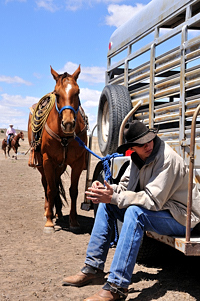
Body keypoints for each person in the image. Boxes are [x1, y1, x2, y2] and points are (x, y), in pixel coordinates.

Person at [62, 120, 200, 301]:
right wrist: (107, 191)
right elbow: (126, 188)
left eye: (149, 140)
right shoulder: (137, 159)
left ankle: (117, 287)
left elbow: (152, 201)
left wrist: (114, 197)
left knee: (136, 214)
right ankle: (93, 268)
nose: (147, 146)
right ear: (132, 148)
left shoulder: (168, 159)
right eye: (141, 144)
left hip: (184, 217)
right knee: (107, 204)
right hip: (164, 211)